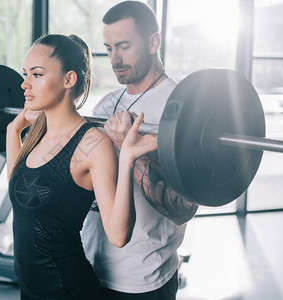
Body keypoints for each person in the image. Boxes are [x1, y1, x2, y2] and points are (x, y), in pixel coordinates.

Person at [6, 33, 157, 300]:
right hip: (30, 291)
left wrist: (128, 156)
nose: (24, 84)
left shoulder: (92, 144)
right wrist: (13, 130)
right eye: (24, 74)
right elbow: (20, 198)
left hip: (68, 291)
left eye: (36, 75)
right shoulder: (38, 133)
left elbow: (118, 235)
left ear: (69, 79)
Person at [81, 2, 199, 300]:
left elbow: (182, 210)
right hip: (90, 267)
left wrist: (125, 145)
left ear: (153, 42)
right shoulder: (106, 105)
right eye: (108, 48)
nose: (114, 58)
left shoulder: (180, 107)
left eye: (123, 46)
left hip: (143, 280)